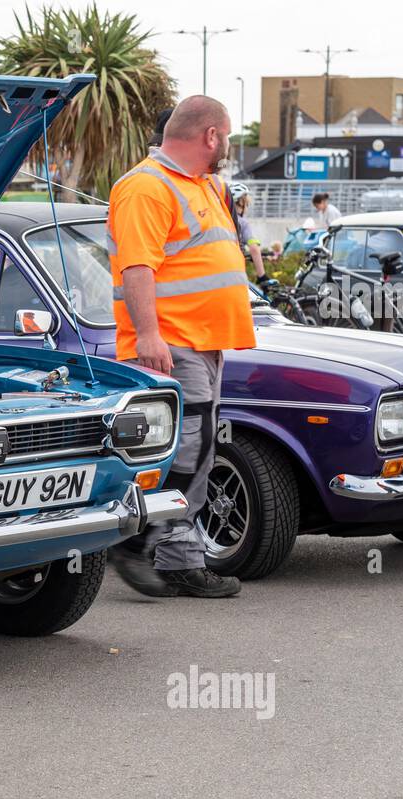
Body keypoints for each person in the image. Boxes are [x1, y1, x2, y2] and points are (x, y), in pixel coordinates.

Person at [105, 95, 255, 599]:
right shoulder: (146, 187)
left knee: (199, 449)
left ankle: (177, 560)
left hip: (204, 342)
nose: (228, 146)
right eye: (227, 136)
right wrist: (149, 336)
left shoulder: (205, 184)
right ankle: (139, 540)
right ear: (211, 136)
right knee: (190, 449)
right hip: (174, 342)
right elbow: (137, 269)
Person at [228, 181, 270, 285]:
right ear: (242, 202)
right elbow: (254, 248)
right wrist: (262, 276)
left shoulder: (222, 219)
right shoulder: (242, 223)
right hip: (235, 271)